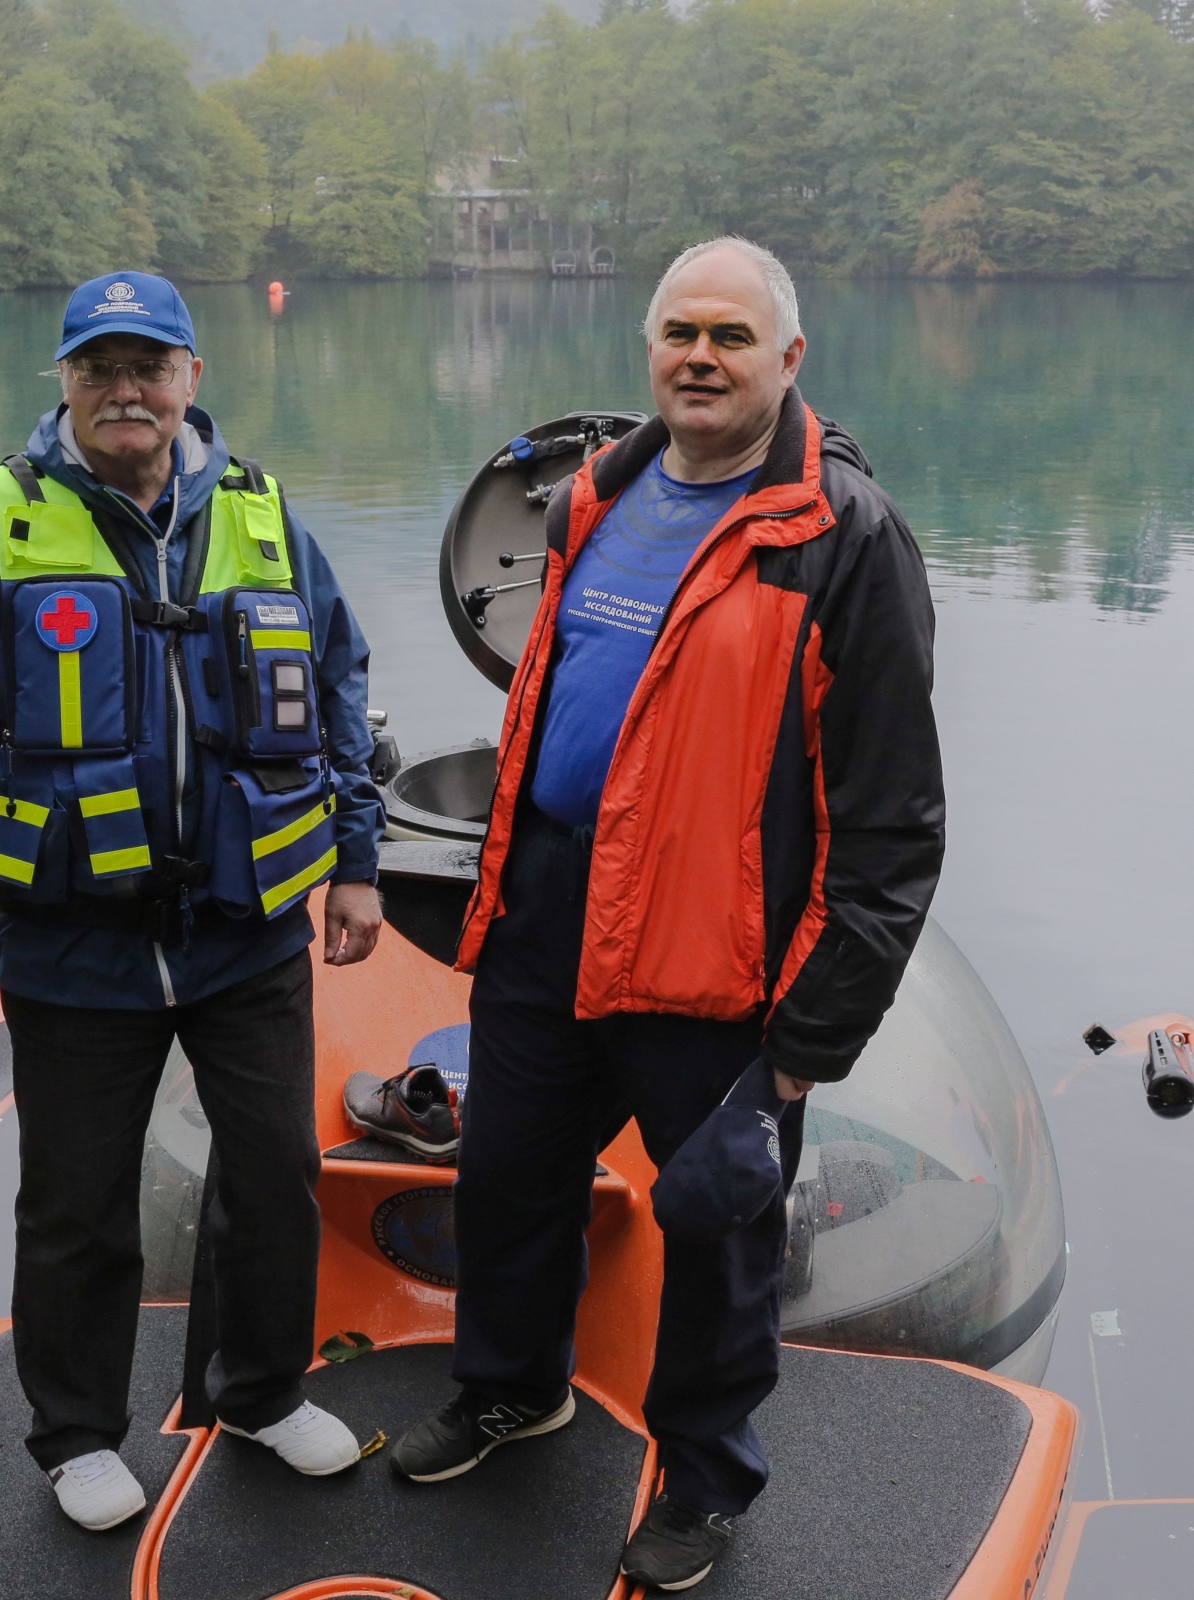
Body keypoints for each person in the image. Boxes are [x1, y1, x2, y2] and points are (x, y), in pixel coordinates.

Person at [388, 238, 946, 1591]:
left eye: (733, 337)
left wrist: (804, 1052)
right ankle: (515, 1388)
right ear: (651, 351)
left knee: (718, 1225)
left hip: (719, 955)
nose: (702, 357)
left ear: (789, 360)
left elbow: (892, 829)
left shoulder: (845, 542)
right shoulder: (598, 495)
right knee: (507, 1177)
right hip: (549, 917)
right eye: (680, 333)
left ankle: (704, 1479)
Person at [0, 271, 386, 1531]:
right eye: (99, 368)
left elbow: (341, 682)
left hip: (246, 928)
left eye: (150, 366)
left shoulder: (261, 515)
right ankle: (78, 1432)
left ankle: (259, 1390)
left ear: (193, 379)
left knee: (275, 1173)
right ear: (66, 384)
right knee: (78, 1201)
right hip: (69, 940)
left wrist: (356, 859)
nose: (126, 390)